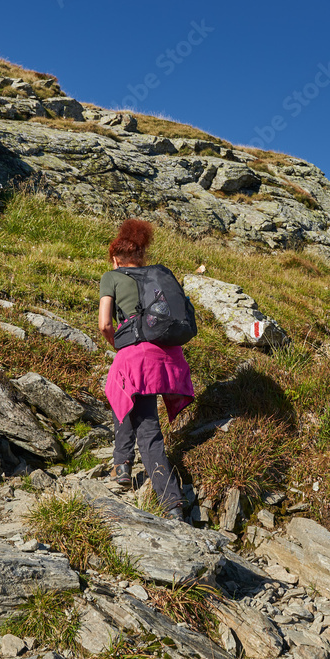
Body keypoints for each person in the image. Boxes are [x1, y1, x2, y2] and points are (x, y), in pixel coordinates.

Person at [98, 219, 194, 521]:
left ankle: (171, 503)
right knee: (127, 397)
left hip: (136, 355)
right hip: (168, 356)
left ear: (115, 256)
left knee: (147, 429)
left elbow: (104, 324)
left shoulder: (111, 276)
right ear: (141, 255)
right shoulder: (157, 276)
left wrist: (120, 345)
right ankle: (122, 463)